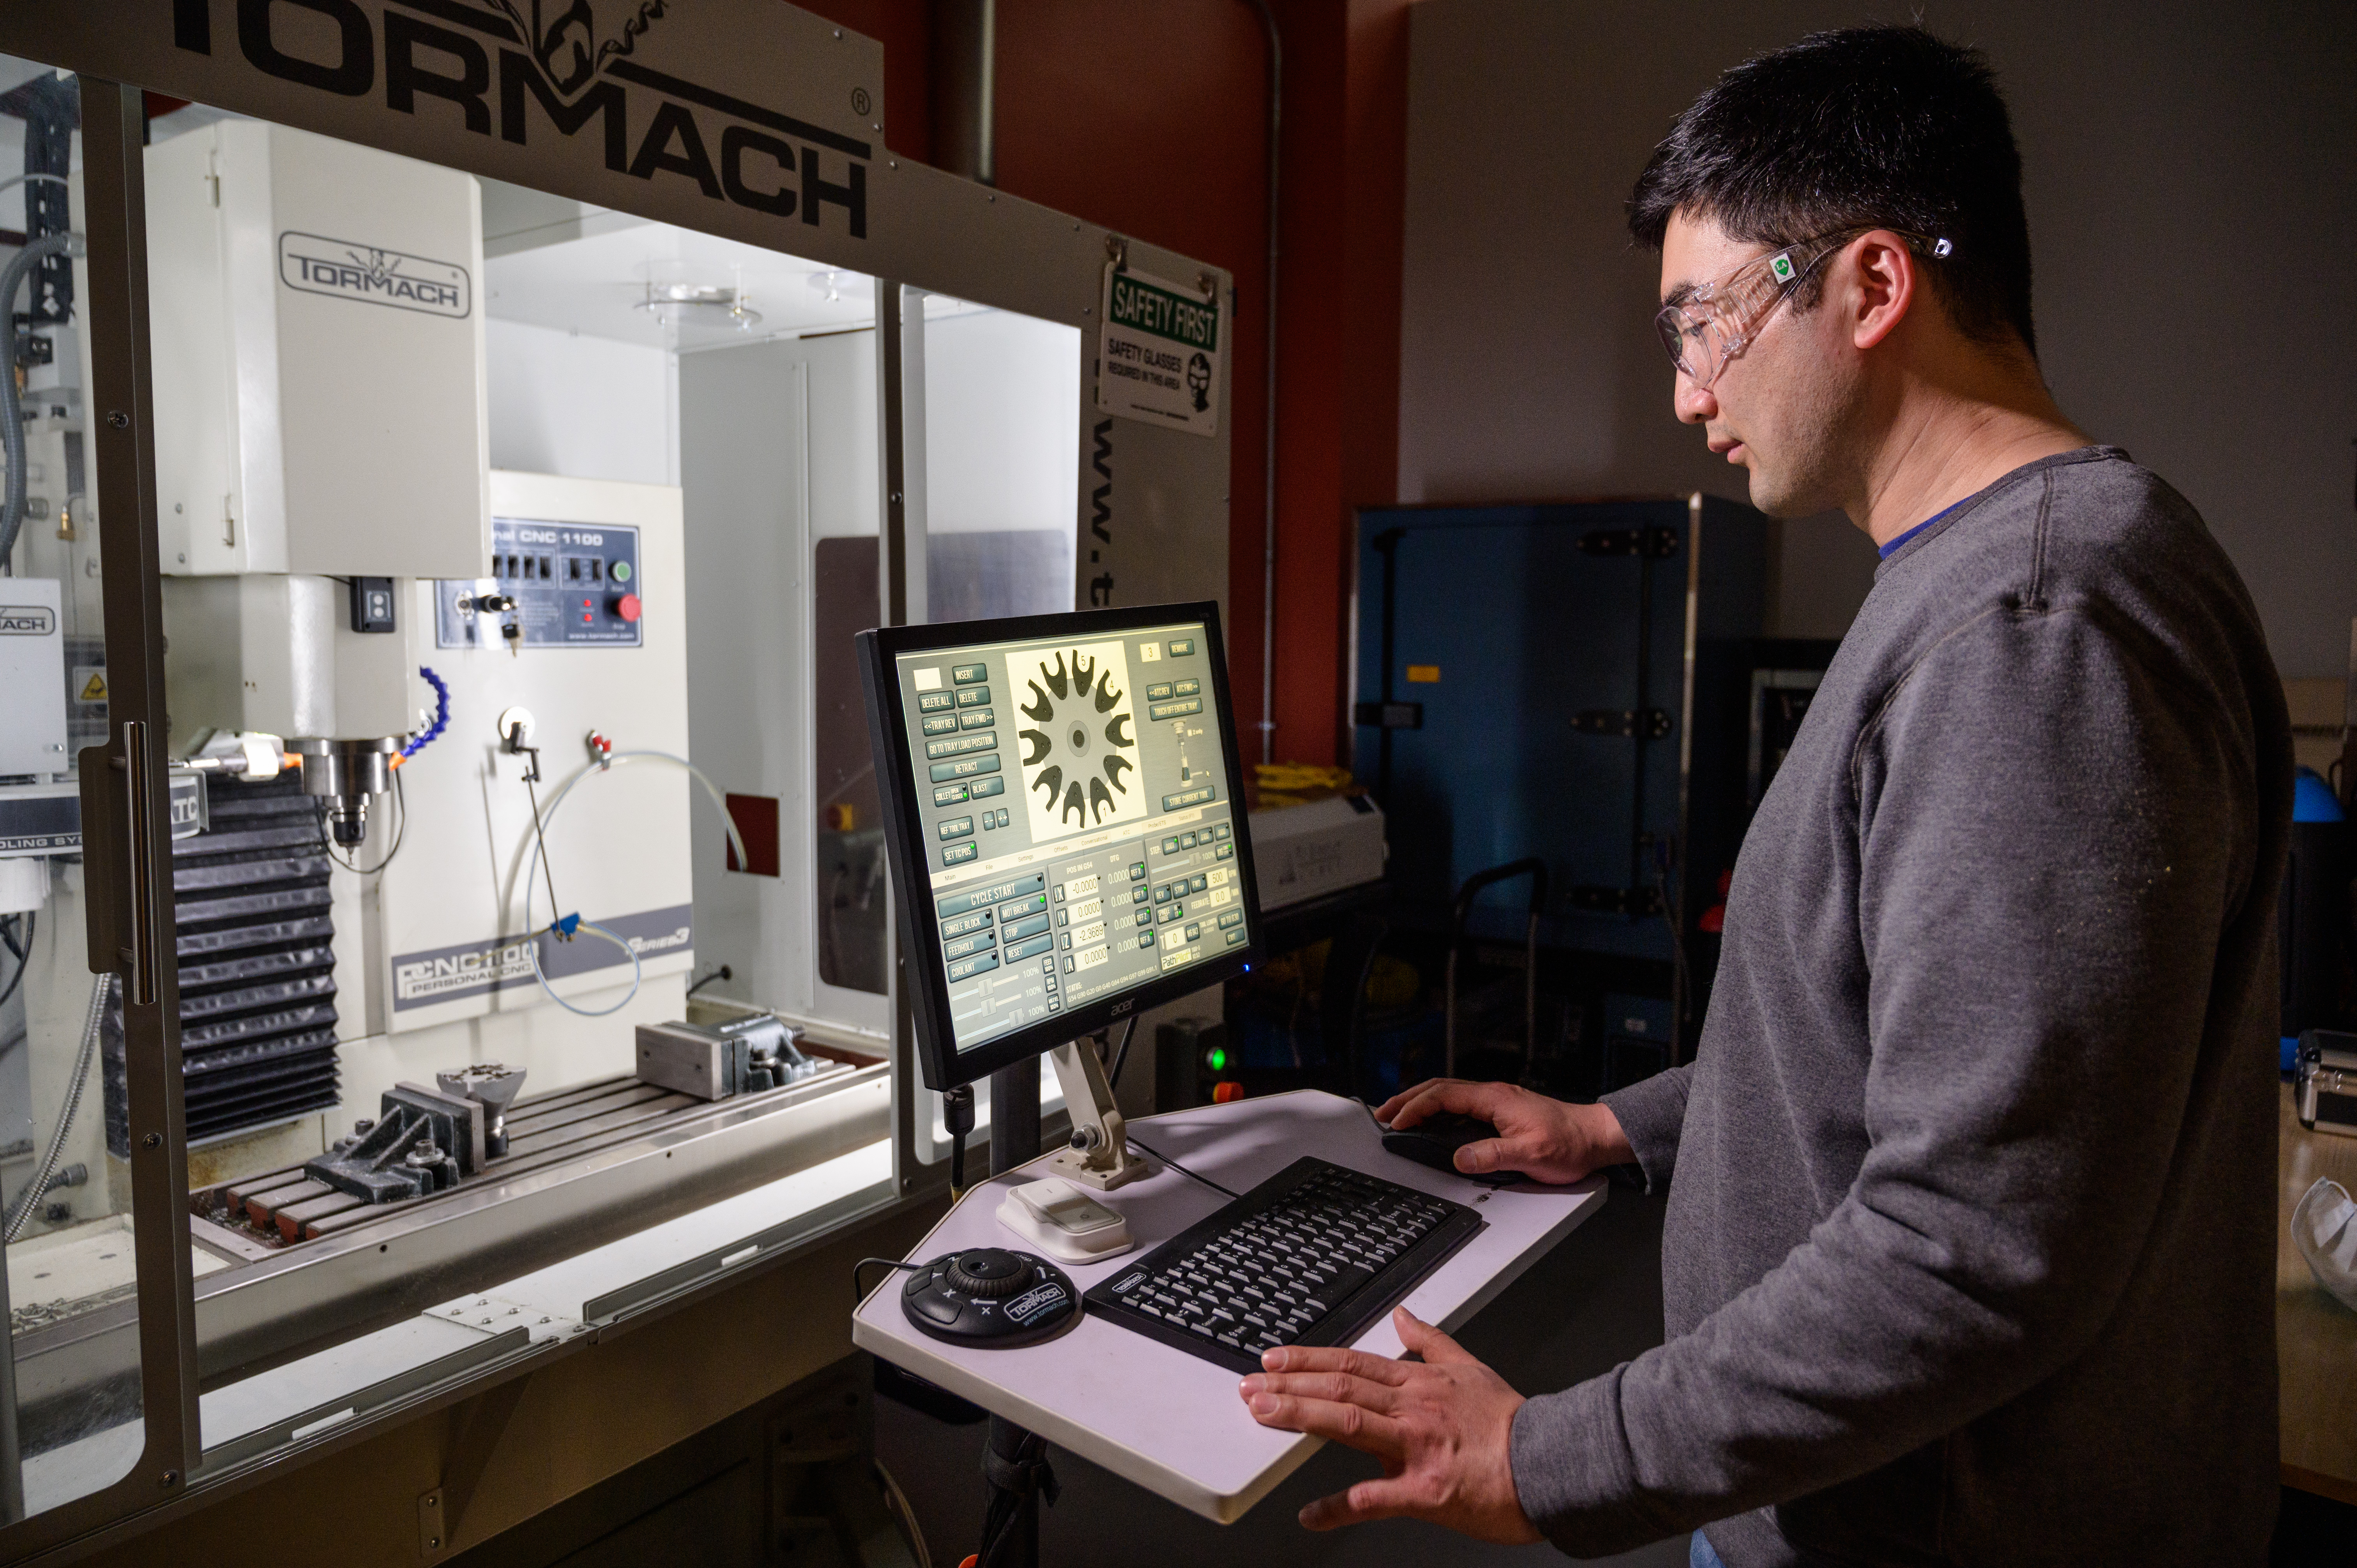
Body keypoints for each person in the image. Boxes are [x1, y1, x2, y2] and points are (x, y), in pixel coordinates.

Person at [1238, 25, 2290, 1566]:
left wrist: (1553, 1449)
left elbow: (1969, 1247)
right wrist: (1616, 1120)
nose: (1684, 394)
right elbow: (1889, 1037)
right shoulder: (1976, 585)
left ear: (1870, 286)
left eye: (1698, 325)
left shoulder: (2036, 627)